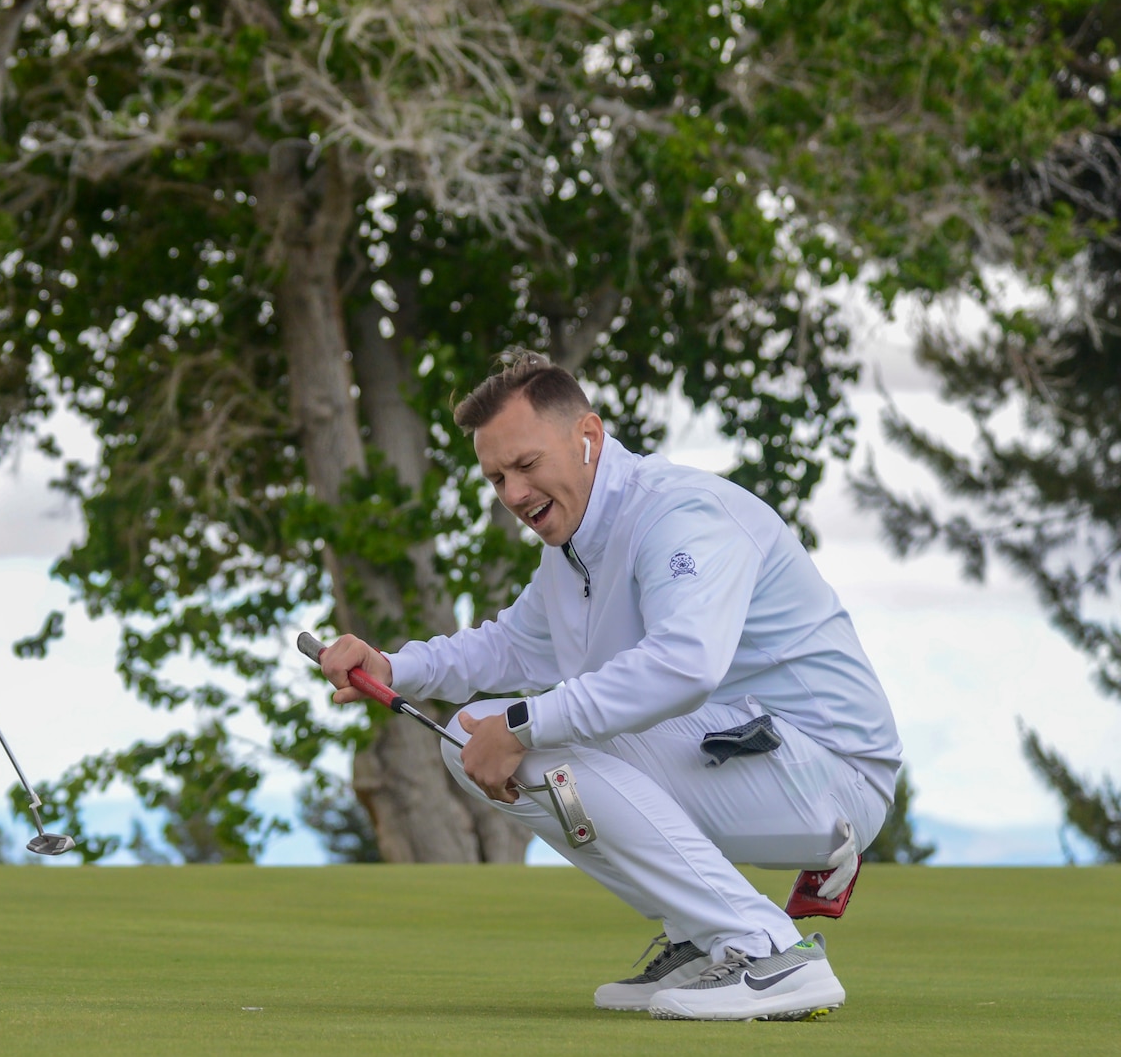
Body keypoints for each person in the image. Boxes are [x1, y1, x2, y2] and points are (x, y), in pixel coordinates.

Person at [318, 351, 901, 1021]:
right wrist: (395, 668)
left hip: (834, 773)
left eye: (527, 465)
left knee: (527, 739)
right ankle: (705, 938)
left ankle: (769, 951)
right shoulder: (572, 548)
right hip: (751, 758)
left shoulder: (680, 513)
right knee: (469, 734)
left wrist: (523, 728)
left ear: (587, 436)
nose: (512, 493)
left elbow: (685, 666)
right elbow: (511, 646)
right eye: (497, 477)